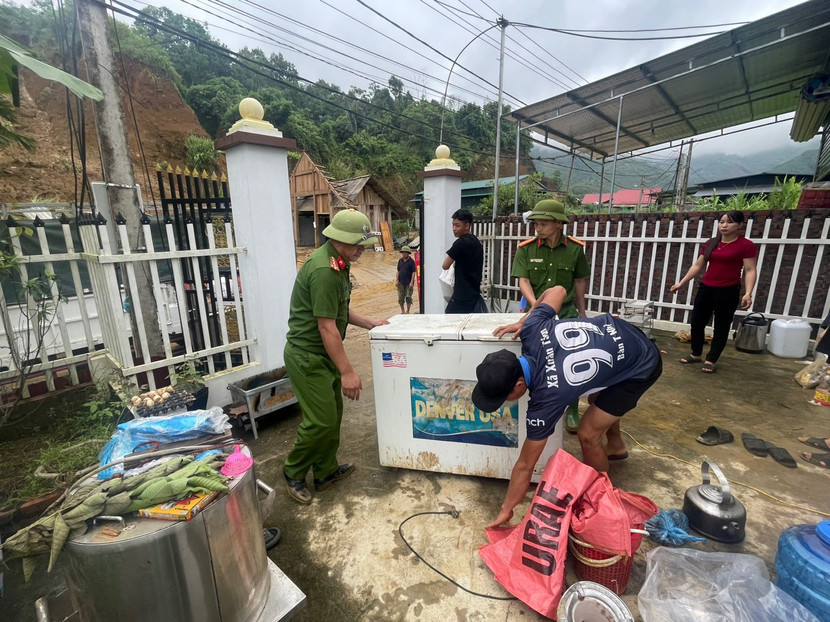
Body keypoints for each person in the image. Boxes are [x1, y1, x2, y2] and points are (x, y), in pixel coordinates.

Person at [471, 286, 662, 528]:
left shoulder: (547, 398)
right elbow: (559, 290)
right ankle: (616, 446)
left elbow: (525, 465)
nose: (502, 404)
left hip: (642, 364)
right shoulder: (532, 328)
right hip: (622, 331)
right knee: (597, 402)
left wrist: (506, 509)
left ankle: (603, 499)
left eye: (502, 398)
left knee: (588, 434)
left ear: (519, 385)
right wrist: (524, 319)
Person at [283, 209, 389, 504]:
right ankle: (293, 471)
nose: (362, 250)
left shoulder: (338, 263)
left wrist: (369, 322)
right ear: (339, 240)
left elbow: (338, 309)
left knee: (332, 418)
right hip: (308, 356)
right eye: (358, 244)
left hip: (323, 354)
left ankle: (325, 471)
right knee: (320, 422)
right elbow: (326, 326)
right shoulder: (324, 270)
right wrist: (348, 371)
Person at [512, 198, 590, 432]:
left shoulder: (575, 249)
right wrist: (537, 307)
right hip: (535, 315)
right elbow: (523, 281)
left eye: (543, 224)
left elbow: (579, 281)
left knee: (571, 361)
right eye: (535, 224)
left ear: (558, 223)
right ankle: (541, 404)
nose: (538, 228)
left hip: (566, 314)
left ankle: (572, 408)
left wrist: (582, 312)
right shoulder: (526, 249)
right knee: (536, 359)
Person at [670, 210, 757, 373]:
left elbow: (750, 269)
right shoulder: (711, 243)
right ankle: (696, 354)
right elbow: (698, 265)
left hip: (728, 290)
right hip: (706, 287)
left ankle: (711, 359)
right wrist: (681, 283)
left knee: (721, 326)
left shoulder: (745, 245)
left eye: (729, 222)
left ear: (739, 225)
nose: (724, 225)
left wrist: (748, 293)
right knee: (697, 322)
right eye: (722, 222)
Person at [443, 208, 485, 313]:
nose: (454, 229)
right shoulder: (477, 243)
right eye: (453, 225)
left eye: (457, 225)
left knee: (449, 318)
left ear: (467, 226)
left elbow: (445, 265)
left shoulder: (460, 243)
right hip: (474, 294)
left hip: (461, 295)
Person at [396, 246, 417, 314]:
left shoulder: (411, 262)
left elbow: (413, 272)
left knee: (408, 297)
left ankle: (408, 311)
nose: (404, 254)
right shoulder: (400, 261)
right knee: (400, 298)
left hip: (408, 283)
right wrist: (396, 280)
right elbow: (398, 271)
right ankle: (403, 311)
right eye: (403, 253)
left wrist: (411, 282)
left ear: (408, 253)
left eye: (405, 253)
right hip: (401, 282)